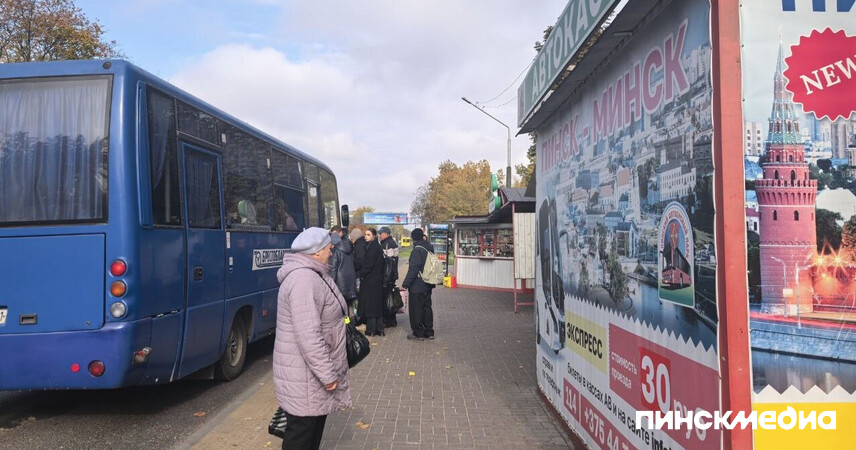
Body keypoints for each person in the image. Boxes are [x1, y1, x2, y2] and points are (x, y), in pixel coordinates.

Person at [274, 227, 351, 450]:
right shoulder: (304, 280)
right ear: (316, 252)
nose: (332, 250)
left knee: (309, 436)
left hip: (310, 376)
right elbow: (308, 335)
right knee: (301, 438)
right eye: (329, 247)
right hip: (307, 377)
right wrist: (328, 375)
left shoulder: (314, 273)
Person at [402, 228, 436, 341]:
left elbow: (413, 269)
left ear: (413, 238)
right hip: (428, 282)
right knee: (427, 308)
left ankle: (418, 333)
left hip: (417, 284)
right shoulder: (429, 246)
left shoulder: (417, 250)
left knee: (416, 309)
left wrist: (405, 284)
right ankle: (429, 331)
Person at [357, 228, 385, 336]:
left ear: (374, 236)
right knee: (377, 306)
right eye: (365, 234)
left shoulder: (372, 247)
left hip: (371, 281)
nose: (366, 236)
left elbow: (369, 264)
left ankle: (371, 330)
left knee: (370, 306)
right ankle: (379, 329)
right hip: (377, 280)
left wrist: (362, 273)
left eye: (368, 234)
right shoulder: (376, 246)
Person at [329, 228, 357, 316]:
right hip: (351, 282)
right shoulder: (351, 248)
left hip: (339, 283)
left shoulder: (336, 251)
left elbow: (333, 269)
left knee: (342, 309)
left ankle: (346, 328)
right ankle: (352, 327)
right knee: (350, 306)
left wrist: (331, 284)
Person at [378, 226, 399, 327]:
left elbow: (388, 263)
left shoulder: (387, 244)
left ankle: (388, 320)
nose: (379, 236)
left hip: (387, 277)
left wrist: (385, 279)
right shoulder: (392, 243)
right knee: (390, 298)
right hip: (392, 276)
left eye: (381, 234)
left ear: (386, 234)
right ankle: (392, 320)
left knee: (386, 299)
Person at [349, 227, 366, 323]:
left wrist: (352, 267)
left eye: (351, 239)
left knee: (358, 298)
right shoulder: (364, 244)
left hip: (359, 275)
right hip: (363, 275)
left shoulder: (359, 246)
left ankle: (359, 318)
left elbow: (359, 262)